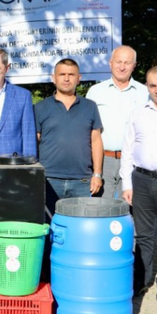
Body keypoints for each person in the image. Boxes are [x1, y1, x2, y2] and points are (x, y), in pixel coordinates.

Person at [120, 65, 157, 302]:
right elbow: (127, 150)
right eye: (153, 85)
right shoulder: (138, 113)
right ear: (147, 87)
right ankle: (144, 279)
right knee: (144, 236)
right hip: (141, 180)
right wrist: (127, 184)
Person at [35, 59, 103, 217]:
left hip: (82, 181)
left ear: (79, 78)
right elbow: (34, 142)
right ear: (54, 78)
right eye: (62, 74)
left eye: (71, 74)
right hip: (48, 179)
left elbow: (96, 141)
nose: (66, 78)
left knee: (80, 228)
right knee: (49, 228)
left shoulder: (90, 106)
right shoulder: (40, 107)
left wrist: (97, 174)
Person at [86, 46, 148, 199]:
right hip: (102, 160)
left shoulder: (144, 93)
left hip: (134, 161)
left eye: (127, 62)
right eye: (118, 62)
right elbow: (87, 128)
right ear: (110, 63)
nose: (122, 67)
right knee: (100, 210)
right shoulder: (95, 91)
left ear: (134, 65)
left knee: (129, 211)